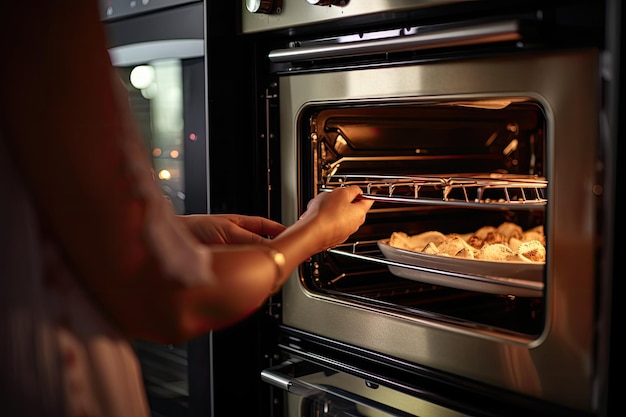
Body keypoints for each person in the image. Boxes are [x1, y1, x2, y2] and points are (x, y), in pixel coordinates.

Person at [0, 1, 374, 416]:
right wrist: (310, 236)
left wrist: (173, 232)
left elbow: (42, 223)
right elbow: (175, 297)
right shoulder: (44, 18)